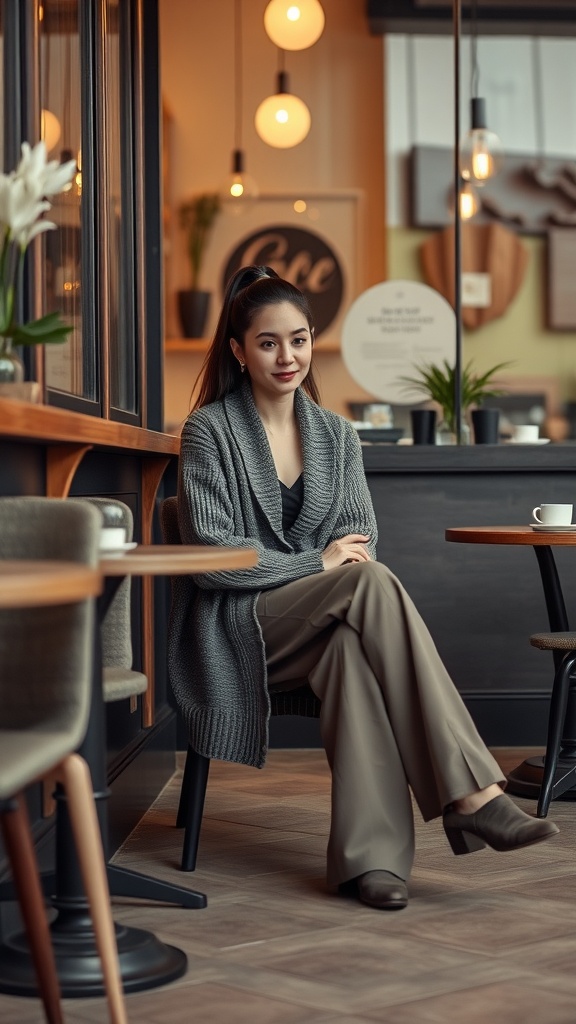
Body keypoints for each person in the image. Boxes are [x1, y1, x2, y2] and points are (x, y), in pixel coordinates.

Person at [169, 265, 559, 911]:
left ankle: (371, 862)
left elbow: (360, 540)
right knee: (369, 585)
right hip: (237, 628)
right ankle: (473, 795)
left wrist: (325, 566)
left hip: (317, 623)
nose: (286, 356)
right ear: (238, 351)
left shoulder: (337, 435)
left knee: (353, 647)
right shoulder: (209, 431)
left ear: (312, 340)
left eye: (298, 339)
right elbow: (215, 560)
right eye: (268, 343)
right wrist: (313, 565)